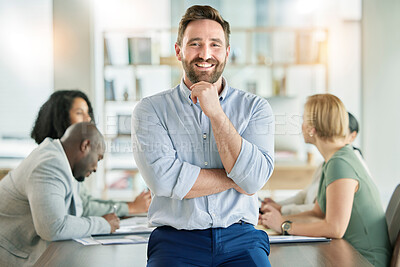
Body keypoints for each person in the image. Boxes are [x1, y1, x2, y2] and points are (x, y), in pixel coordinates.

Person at [131, 5, 274, 266]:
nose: (205, 54)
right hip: (175, 242)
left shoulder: (255, 108)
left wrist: (216, 113)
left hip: (241, 238)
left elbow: (253, 181)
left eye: (215, 45)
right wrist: (235, 177)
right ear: (179, 51)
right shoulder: (150, 110)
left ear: (227, 52)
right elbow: (163, 181)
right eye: (195, 44)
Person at [259, 94, 391, 267]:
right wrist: (277, 218)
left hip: (366, 260)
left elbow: (335, 228)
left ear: (313, 129)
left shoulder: (340, 163)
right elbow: (317, 213)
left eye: (304, 120)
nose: (301, 126)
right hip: (349, 254)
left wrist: (285, 225)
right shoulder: (333, 160)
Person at [0, 122, 120, 266]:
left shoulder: (61, 161)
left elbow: (77, 211)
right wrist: (103, 224)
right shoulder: (49, 164)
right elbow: (53, 227)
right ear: (85, 146)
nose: (95, 168)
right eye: (98, 158)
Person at [31, 90, 151, 217]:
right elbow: (84, 208)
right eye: (79, 113)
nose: (88, 118)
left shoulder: (69, 159)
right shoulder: (51, 161)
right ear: (58, 118)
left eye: (88, 113)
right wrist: (129, 208)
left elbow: (86, 201)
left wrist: (129, 206)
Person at [262, 112, 370, 215]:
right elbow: (305, 196)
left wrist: (282, 211)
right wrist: (277, 205)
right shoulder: (327, 161)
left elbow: (322, 213)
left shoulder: (343, 164)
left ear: (352, 136)